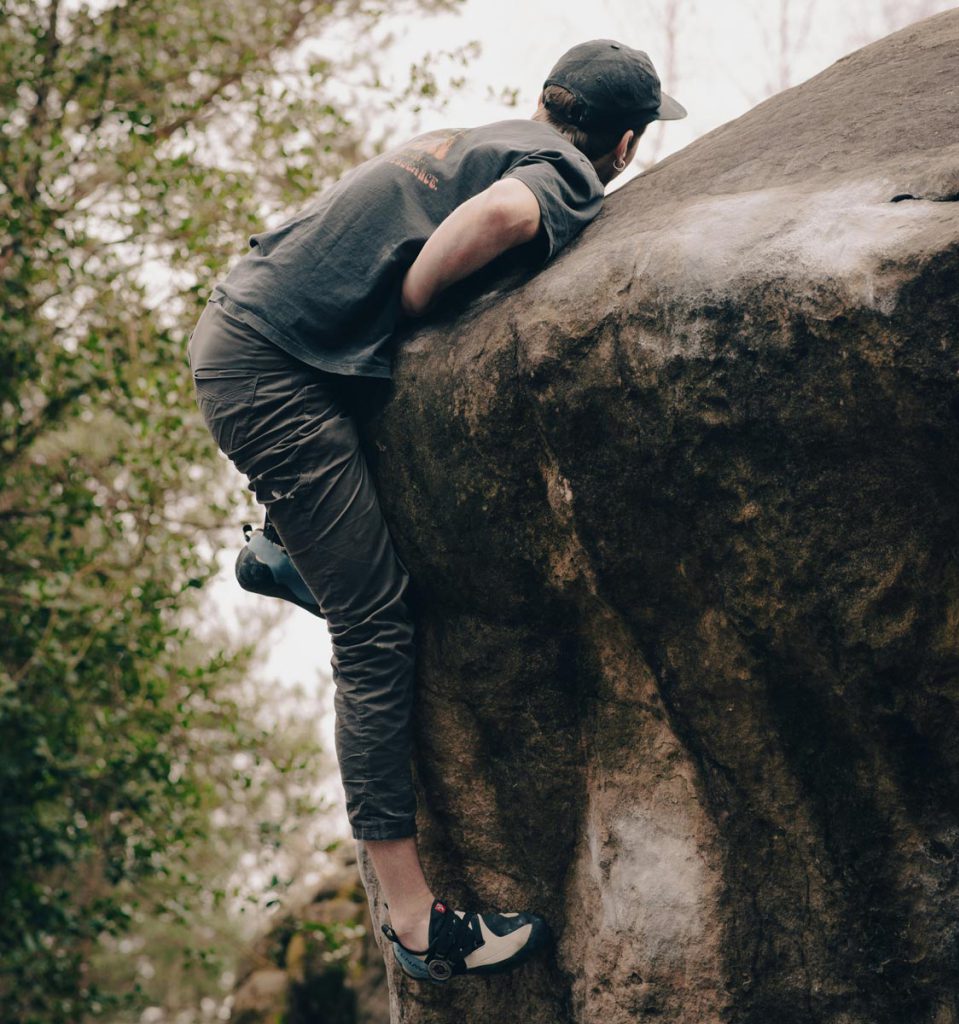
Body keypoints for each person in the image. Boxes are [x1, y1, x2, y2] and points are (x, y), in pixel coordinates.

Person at [187, 38, 686, 985]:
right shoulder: (568, 172)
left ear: (548, 100)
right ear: (625, 142)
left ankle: (284, 547)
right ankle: (417, 927)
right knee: (372, 629)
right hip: (273, 372)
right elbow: (503, 216)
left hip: (246, 324)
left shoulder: (485, 134)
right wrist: (419, 297)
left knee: (362, 500)